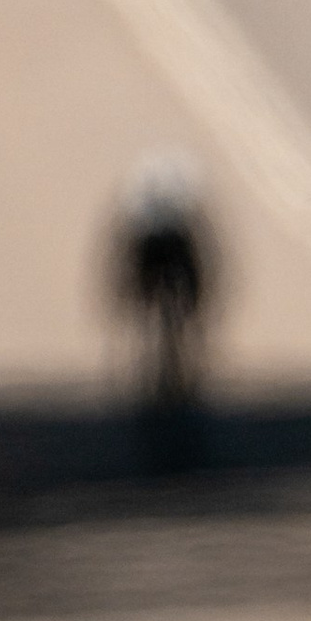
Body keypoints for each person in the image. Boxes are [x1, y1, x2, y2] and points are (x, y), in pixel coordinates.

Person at [105, 154, 219, 438]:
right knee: (171, 313)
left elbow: (121, 259)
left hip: (164, 250)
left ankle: (175, 367)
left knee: (171, 313)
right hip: (156, 250)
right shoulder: (164, 203)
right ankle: (173, 368)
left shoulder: (147, 202)